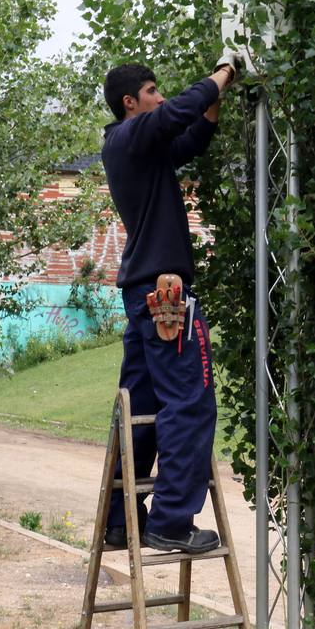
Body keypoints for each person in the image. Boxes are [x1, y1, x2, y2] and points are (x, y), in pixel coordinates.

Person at [100, 59, 237, 554]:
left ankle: (121, 520)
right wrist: (223, 72)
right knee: (190, 402)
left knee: (142, 407)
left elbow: (191, 135)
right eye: (152, 91)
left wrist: (217, 98)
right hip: (165, 297)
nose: (161, 98)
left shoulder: (143, 152)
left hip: (145, 296)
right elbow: (177, 114)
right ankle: (172, 522)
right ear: (129, 103)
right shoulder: (125, 138)